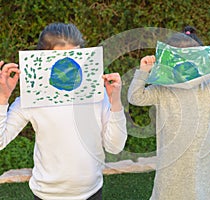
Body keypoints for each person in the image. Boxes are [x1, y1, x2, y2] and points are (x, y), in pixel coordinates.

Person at [0, 23, 127, 200]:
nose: (69, 68)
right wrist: (2, 98)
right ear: (42, 58)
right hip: (46, 195)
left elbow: (115, 146)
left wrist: (115, 102)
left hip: (91, 193)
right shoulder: (31, 100)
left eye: (75, 56)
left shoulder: (97, 96)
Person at [128, 26, 210, 199]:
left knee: (200, 192)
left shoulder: (209, 88)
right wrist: (143, 72)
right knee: (169, 192)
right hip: (171, 162)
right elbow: (136, 97)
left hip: (201, 161)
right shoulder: (162, 89)